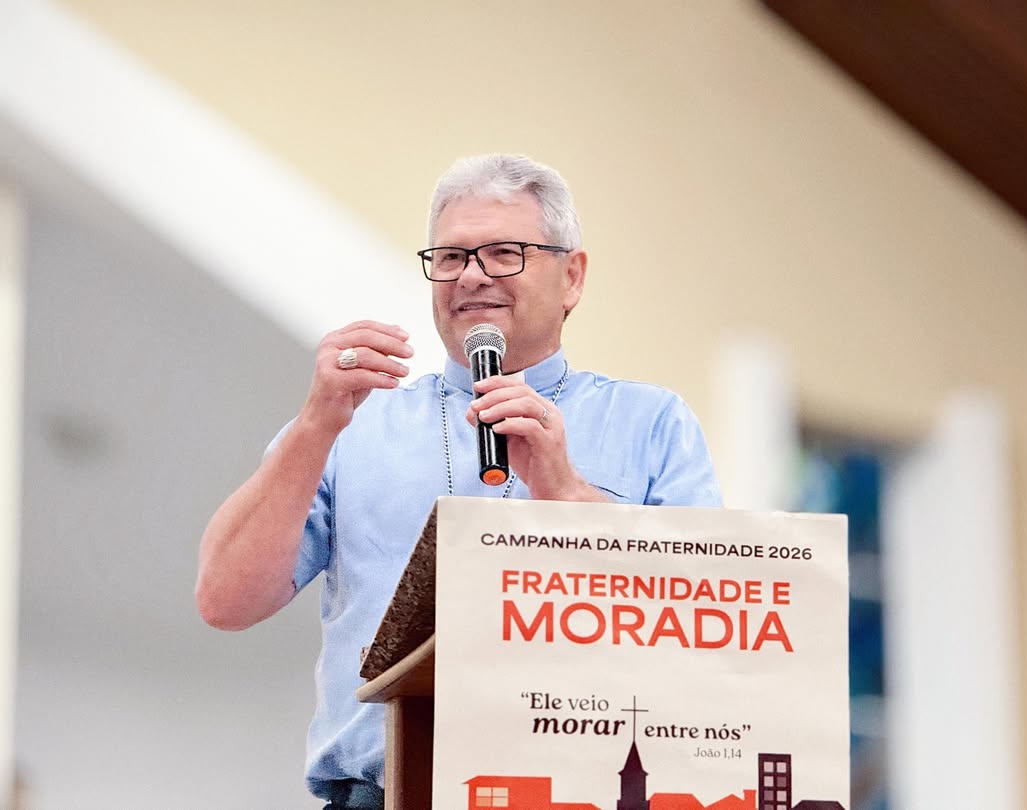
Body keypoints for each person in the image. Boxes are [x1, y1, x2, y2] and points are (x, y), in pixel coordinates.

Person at [196, 153, 723, 809]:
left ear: (572, 276)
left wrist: (568, 494)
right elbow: (225, 600)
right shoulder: (355, 425)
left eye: (504, 253)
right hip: (382, 794)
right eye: (450, 257)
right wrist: (313, 425)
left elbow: (709, 627)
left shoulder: (651, 423)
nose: (472, 276)